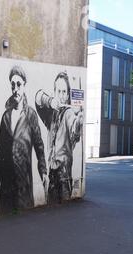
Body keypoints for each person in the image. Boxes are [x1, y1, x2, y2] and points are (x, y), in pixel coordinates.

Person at [0, 65, 48, 214]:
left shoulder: (31, 116)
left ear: (24, 85)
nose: (15, 89)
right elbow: (0, 153)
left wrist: (43, 171)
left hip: (24, 184)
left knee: (23, 228)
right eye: (12, 85)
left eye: (18, 84)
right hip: (6, 186)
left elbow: (39, 147)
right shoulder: (5, 117)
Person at [35, 71, 83, 203]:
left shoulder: (69, 114)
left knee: (64, 210)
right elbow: (38, 97)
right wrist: (50, 101)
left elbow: (75, 132)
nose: (61, 96)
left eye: (63, 92)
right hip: (51, 173)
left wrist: (79, 119)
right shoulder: (51, 114)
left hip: (64, 176)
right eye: (58, 91)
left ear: (68, 95)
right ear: (54, 92)